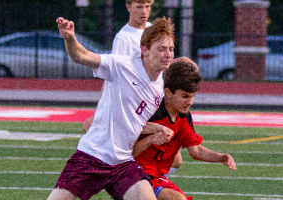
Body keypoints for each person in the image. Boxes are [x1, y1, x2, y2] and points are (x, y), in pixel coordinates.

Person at [48, 16, 176, 200]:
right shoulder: (122, 65)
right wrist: (70, 38)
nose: (168, 54)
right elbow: (81, 56)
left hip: (122, 163)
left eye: (171, 49)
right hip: (92, 155)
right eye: (161, 49)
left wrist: (156, 128)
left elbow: (134, 122)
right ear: (145, 50)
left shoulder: (159, 88)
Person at [82, 0, 183, 175]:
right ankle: (140, 183)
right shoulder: (124, 38)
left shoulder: (151, 29)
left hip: (155, 98)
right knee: (163, 155)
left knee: (174, 159)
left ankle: (145, 182)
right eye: (139, 7)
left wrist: (180, 62)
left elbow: (159, 62)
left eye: (148, 6)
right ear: (128, 7)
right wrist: (99, 112)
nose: (144, 11)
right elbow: (113, 75)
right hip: (137, 104)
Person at [133, 61, 237, 200]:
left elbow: (196, 150)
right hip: (132, 173)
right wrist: (150, 139)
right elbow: (124, 154)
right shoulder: (150, 112)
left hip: (154, 175)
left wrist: (219, 157)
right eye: (185, 96)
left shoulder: (184, 115)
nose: (190, 102)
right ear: (168, 92)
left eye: (193, 96)